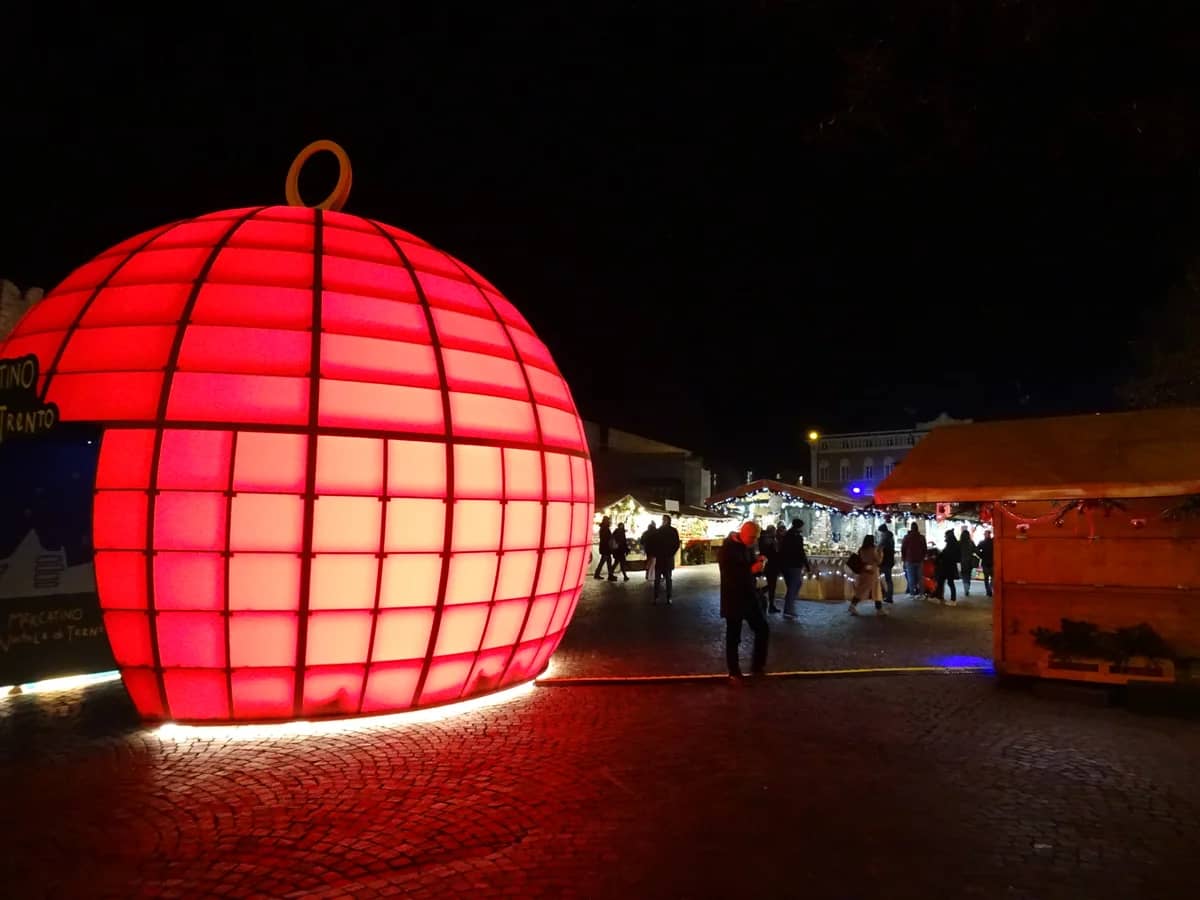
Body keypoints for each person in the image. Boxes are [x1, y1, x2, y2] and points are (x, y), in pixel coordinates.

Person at [719, 521, 769, 681]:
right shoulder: (728, 549)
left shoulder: (747, 547)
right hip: (733, 598)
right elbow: (730, 575)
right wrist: (751, 569)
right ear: (744, 533)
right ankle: (734, 671)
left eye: (756, 538)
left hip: (749, 596)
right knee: (734, 635)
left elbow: (747, 568)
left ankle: (757, 666)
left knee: (762, 629)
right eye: (753, 537)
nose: (754, 540)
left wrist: (758, 563)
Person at [778, 518, 811, 619]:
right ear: (799, 526)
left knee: (793, 586)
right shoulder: (796, 537)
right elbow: (800, 552)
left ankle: (789, 604)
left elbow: (782, 550)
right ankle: (788, 609)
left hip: (786, 565)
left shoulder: (787, 535)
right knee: (794, 586)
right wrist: (807, 565)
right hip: (794, 565)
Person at [849, 534, 886, 615]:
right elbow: (879, 560)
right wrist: (880, 552)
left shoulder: (861, 549)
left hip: (864, 571)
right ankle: (879, 609)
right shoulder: (873, 550)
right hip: (873, 572)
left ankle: (852, 605)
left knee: (861, 590)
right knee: (876, 591)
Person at [653, 514, 681, 604]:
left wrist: (670, 553)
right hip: (663, 558)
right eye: (662, 519)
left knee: (667, 578)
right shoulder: (660, 530)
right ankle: (657, 597)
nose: (663, 521)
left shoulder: (670, 531)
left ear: (668, 521)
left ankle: (668, 597)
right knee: (658, 579)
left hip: (666, 558)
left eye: (664, 520)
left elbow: (676, 544)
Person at [759, 525, 781, 613]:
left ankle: (770, 603)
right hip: (771, 565)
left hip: (769, 565)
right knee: (772, 585)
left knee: (772, 585)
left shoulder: (765, 539)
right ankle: (770, 604)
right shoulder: (770, 540)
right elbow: (774, 553)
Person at [935, 529, 960, 605]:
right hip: (951, 566)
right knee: (949, 582)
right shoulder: (955, 543)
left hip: (946, 566)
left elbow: (945, 554)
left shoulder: (950, 544)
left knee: (942, 581)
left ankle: (941, 598)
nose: (945, 537)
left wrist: (939, 556)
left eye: (945, 535)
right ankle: (951, 599)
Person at [900, 522, 925, 598]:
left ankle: (912, 593)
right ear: (917, 528)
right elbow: (924, 549)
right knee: (920, 577)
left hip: (909, 560)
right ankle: (921, 593)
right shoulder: (921, 537)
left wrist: (904, 559)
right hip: (919, 560)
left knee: (911, 577)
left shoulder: (906, 537)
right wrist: (922, 557)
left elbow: (903, 549)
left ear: (911, 528)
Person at [877, 522, 896, 605]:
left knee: (876, 578)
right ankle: (889, 597)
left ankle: (880, 594)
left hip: (884, 561)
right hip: (890, 561)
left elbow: (879, 548)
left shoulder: (884, 538)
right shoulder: (891, 538)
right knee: (889, 580)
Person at [959, 525, 978, 596]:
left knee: (964, 575)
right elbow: (976, 550)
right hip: (970, 561)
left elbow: (957, 551)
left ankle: (966, 589)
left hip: (963, 561)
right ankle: (967, 589)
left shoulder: (960, 543)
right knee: (968, 575)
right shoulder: (971, 543)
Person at [594, 516, 615, 580]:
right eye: (608, 520)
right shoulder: (605, 528)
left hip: (604, 547)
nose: (609, 521)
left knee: (607, 561)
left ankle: (609, 575)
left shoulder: (603, 528)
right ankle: (599, 574)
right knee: (604, 561)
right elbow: (606, 538)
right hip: (606, 547)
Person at [978, 529, 994, 597]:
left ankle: (989, 591)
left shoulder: (982, 542)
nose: (984, 535)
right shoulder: (994, 542)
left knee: (986, 578)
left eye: (985, 534)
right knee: (993, 577)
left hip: (985, 563)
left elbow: (976, 549)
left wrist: (981, 555)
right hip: (993, 562)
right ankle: (989, 589)